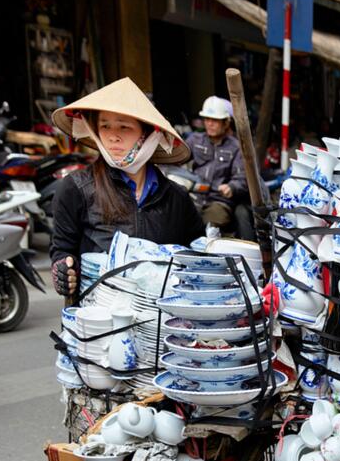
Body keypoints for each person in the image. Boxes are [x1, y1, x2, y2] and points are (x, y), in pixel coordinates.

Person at [49, 77, 204, 298]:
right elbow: (62, 249)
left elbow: (196, 252)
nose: (113, 136)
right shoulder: (76, 187)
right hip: (100, 319)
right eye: (104, 126)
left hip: (159, 322)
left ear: (148, 133)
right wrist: (63, 269)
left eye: (124, 127)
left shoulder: (177, 198)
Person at [185, 96, 249, 232]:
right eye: (207, 119)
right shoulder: (194, 140)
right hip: (193, 195)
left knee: (209, 225)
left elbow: (242, 177)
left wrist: (231, 187)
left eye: (215, 120)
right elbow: (177, 157)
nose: (210, 124)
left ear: (226, 123)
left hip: (219, 201)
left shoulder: (236, 147)